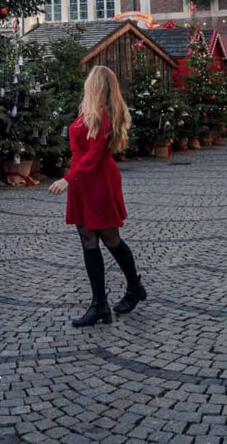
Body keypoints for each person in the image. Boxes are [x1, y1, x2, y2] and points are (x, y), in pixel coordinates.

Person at [48, 65, 146, 327]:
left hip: (97, 182)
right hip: (84, 181)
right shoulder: (92, 114)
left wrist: (67, 179)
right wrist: (73, 178)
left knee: (110, 238)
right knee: (88, 239)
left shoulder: (103, 116)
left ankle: (134, 287)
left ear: (95, 87)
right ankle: (99, 304)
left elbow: (91, 156)